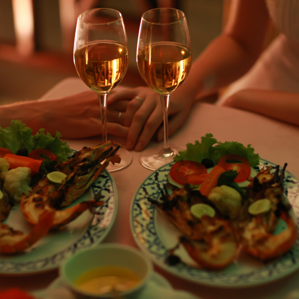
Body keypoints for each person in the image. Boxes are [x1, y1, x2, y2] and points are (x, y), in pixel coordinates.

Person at [1, 0, 299, 150]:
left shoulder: (245, 96)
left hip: (266, 99)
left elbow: (242, 91)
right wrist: (189, 86)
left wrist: (244, 96)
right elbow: (242, 41)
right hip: (268, 78)